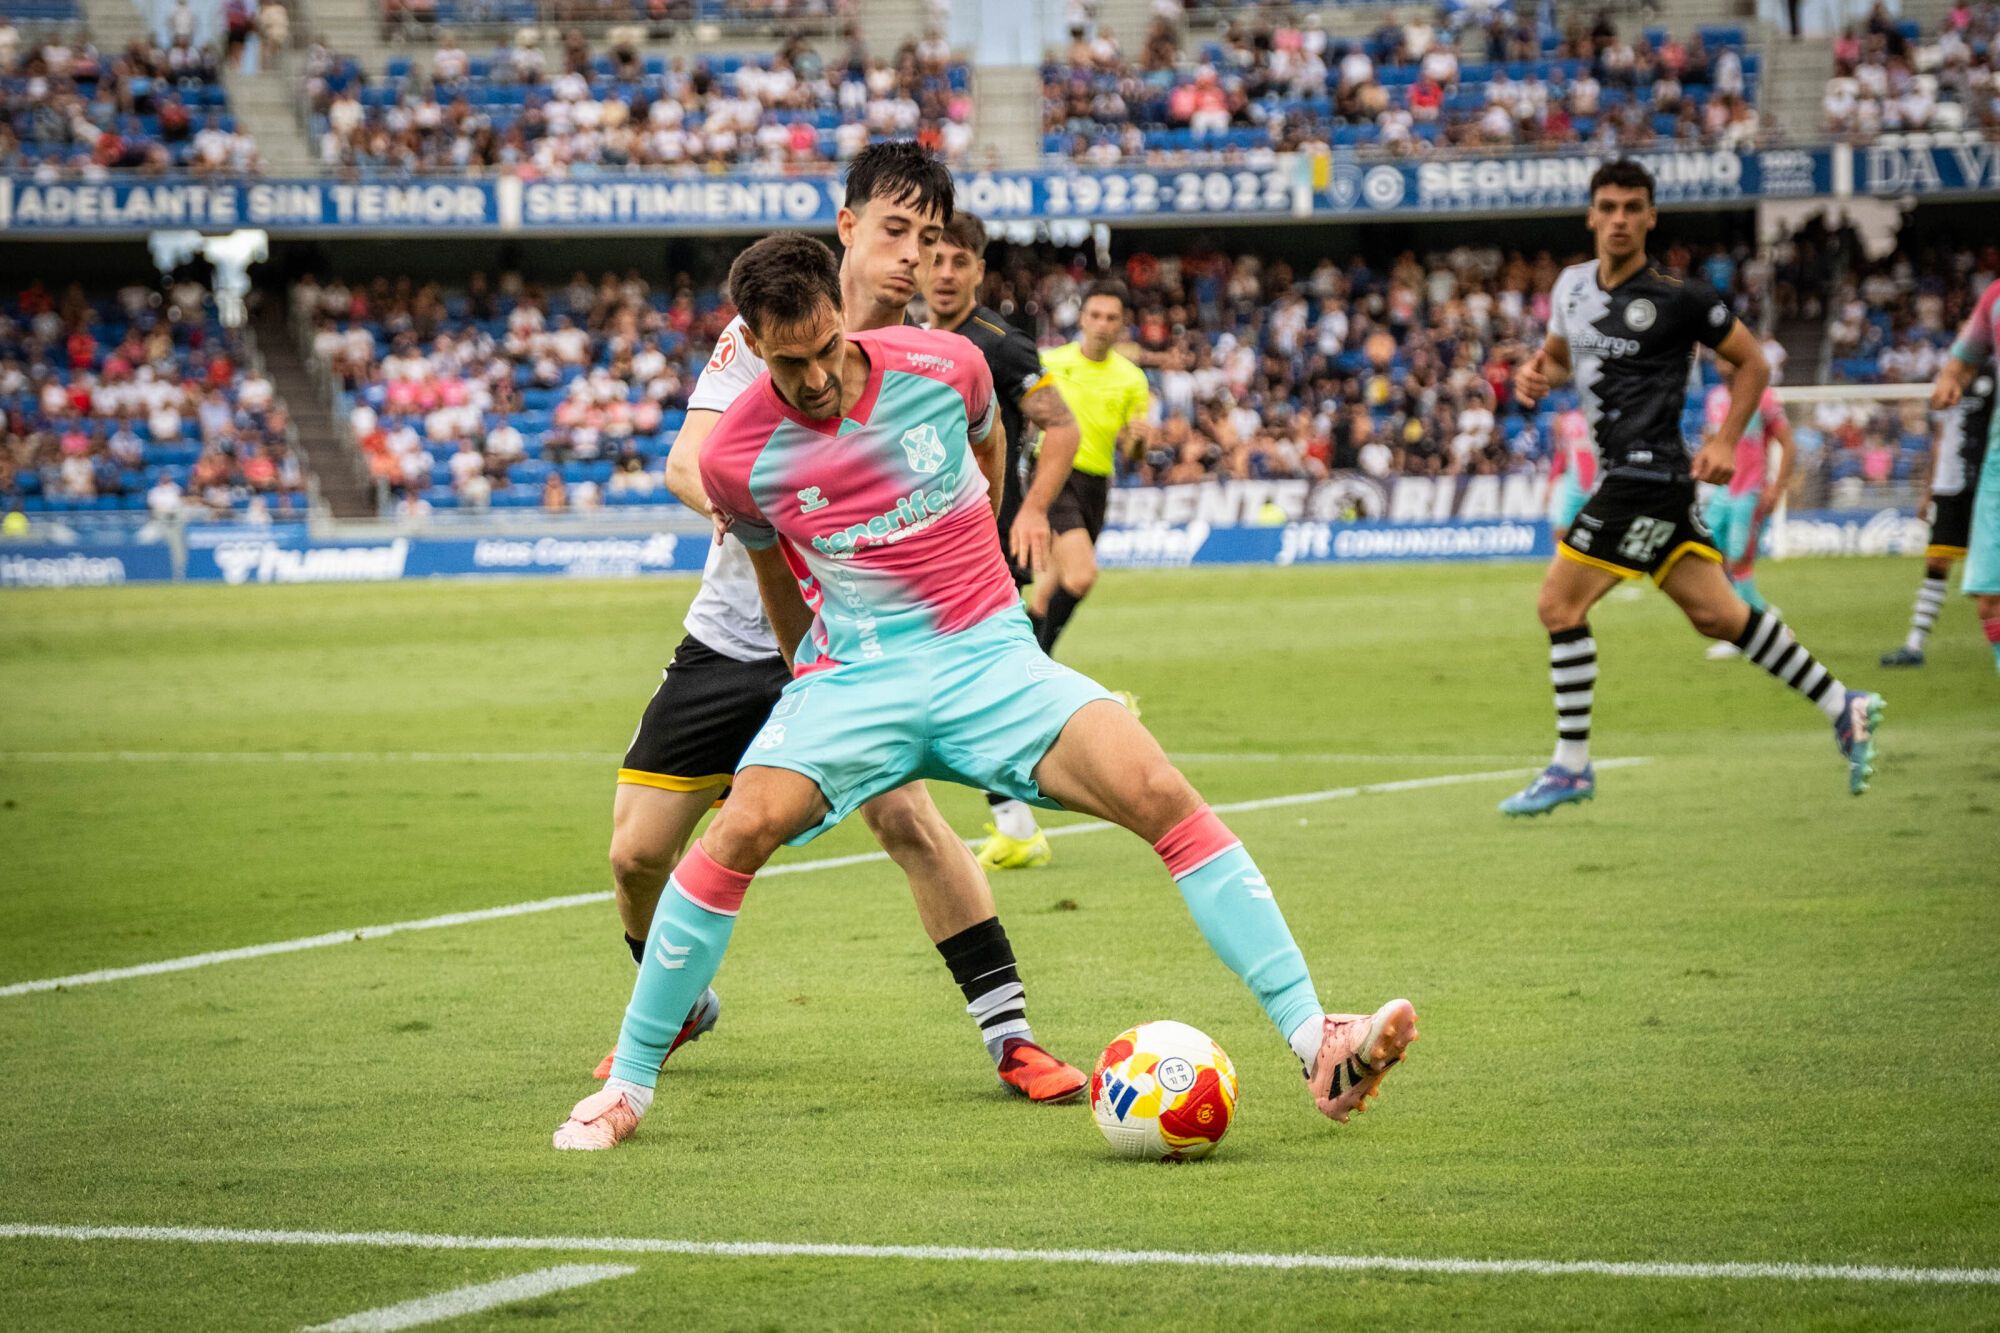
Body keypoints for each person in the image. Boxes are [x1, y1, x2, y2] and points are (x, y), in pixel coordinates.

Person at [552, 232, 1418, 1151]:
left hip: (989, 658)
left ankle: (1316, 1040)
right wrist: (810, 674)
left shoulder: (949, 365)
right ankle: (630, 1086)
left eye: (820, 350)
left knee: (1162, 792)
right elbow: (775, 574)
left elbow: (993, 446)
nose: (808, 379)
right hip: (857, 678)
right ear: (754, 346)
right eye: (784, 362)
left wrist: (992, 581)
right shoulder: (737, 454)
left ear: (840, 316)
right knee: (737, 830)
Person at [584, 143, 1085, 1111]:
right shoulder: (762, 331)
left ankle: (1012, 1040)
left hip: (868, 644)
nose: (914, 258)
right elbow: (690, 464)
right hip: (737, 632)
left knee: (908, 820)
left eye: (931, 239)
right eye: (896, 231)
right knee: (635, 855)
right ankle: (674, 1004)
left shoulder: (927, 359)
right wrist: (777, 520)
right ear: (847, 227)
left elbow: (990, 449)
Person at [1501, 159, 1883, 818]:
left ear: (1651, 216)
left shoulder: (1680, 295)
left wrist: (1729, 439)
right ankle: (1840, 703)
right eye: (1609, 207)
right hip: (1649, 481)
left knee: (1558, 606)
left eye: (1633, 207)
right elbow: (1562, 361)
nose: (1620, 219)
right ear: (1591, 214)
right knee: (1719, 615)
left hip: (1643, 476)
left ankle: (1569, 767)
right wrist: (1537, 376)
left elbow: (1753, 362)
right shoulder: (1569, 288)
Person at [922, 211, 1083, 871]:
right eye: (934, 257)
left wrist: (1034, 509)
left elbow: (1063, 430)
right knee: (974, 683)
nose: (945, 272)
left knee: (968, 684)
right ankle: (1067, 707)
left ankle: (1071, 725)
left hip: (982, 540)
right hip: (925, 540)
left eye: (960, 261)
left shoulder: (1000, 343)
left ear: (979, 271)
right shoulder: (901, 337)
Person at [1028, 280, 1151, 656]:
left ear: (1122, 324)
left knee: (1048, 590)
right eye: (1095, 315)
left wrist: (1141, 439)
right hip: (1053, 474)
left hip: (1096, 484)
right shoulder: (1052, 363)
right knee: (1081, 575)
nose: (1102, 324)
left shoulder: (1132, 379)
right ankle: (1042, 661)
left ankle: (1024, 659)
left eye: (1111, 318)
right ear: (1082, 319)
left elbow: (1133, 454)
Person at [1881, 365, 1993, 666]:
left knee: (1987, 584)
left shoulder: (1992, 380)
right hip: (1948, 486)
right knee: (1936, 561)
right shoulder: (1947, 383)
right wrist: (1929, 490)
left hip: (1985, 485)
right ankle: (1915, 645)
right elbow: (1940, 439)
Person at [1926, 277, 2000, 672]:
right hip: (1997, 463)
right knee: (1989, 597)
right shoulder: (1994, 298)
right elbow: (1961, 360)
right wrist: (1950, 381)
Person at [1698, 364, 1796, 661]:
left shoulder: (1762, 397)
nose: (1724, 364)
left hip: (1750, 491)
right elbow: (1712, 440)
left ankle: (1744, 632)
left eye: (1730, 358)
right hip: (1721, 492)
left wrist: (1776, 489)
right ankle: (1755, 617)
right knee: (1710, 555)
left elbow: (1788, 444)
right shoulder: (1714, 397)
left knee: (1740, 559)